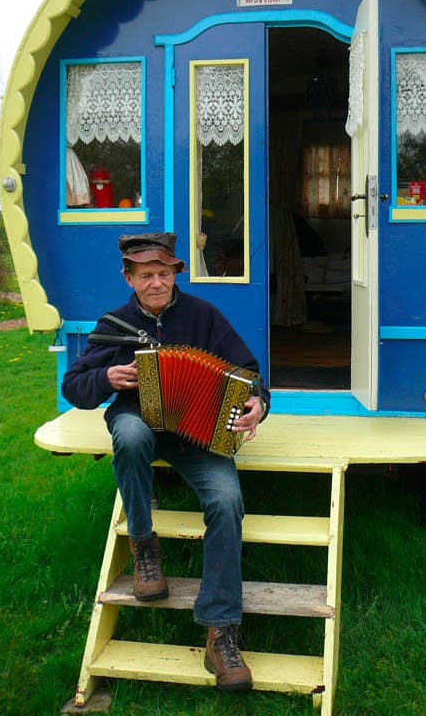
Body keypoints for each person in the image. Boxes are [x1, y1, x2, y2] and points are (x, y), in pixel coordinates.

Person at [61, 232, 270, 693]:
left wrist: (258, 404)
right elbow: (74, 387)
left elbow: (250, 375)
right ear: (128, 278)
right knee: (131, 433)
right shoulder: (114, 324)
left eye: (163, 274)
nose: (155, 283)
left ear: (175, 274)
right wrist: (105, 377)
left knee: (227, 500)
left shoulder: (204, 316)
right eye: (145, 276)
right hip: (139, 421)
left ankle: (221, 630)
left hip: (198, 432)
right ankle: (144, 547)